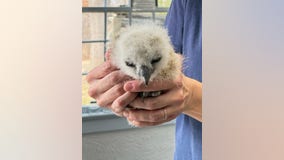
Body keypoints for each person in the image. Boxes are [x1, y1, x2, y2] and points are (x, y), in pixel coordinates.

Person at [86, 0, 202, 159]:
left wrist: (192, 97)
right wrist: (112, 89)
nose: (144, 75)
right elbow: (169, 52)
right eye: (129, 64)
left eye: (155, 61)